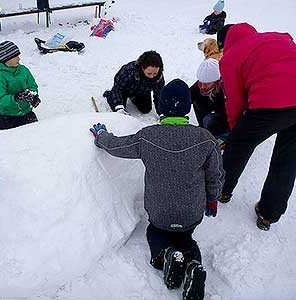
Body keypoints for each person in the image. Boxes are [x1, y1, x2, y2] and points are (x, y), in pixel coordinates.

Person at [90, 79, 224, 300]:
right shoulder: (206, 140)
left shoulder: (147, 136)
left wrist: (102, 137)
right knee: (186, 236)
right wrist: (212, 200)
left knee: (155, 232)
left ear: (161, 107)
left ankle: (166, 254)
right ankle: (193, 265)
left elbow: (118, 146)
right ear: (187, 109)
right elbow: (215, 175)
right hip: (191, 212)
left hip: (160, 212)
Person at [217, 23, 296, 231]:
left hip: (269, 103)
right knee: (287, 160)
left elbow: (233, 101)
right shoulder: (280, 36)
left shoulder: (231, 56)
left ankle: (221, 190)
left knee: (238, 147)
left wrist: (236, 132)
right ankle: (269, 214)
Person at [0, 41, 41, 131]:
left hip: (27, 113)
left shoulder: (23, 70)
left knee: (35, 136)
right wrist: (16, 98)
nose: (18, 59)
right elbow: (1, 100)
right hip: (8, 117)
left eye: (18, 55)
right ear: (6, 59)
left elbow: (32, 85)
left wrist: (33, 95)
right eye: (15, 56)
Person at [103, 50, 165, 115]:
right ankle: (109, 94)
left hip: (142, 91)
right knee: (118, 109)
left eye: (155, 73)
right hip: (124, 91)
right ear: (142, 68)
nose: (152, 76)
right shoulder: (128, 71)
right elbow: (117, 89)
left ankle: (133, 97)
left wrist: (161, 113)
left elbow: (159, 95)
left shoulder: (159, 76)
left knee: (146, 109)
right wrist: (119, 107)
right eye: (149, 73)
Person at [190, 59, 229, 142]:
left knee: (209, 120)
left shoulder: (226, 88)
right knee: (197, 100)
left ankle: (221, 137)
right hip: (213, 111)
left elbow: (233, 113)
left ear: (216, 81)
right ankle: (203, 129)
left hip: (226, 119)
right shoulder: (201, 85)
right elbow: (189, 96)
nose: (203, 86)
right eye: (201, 82)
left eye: (207, 83)